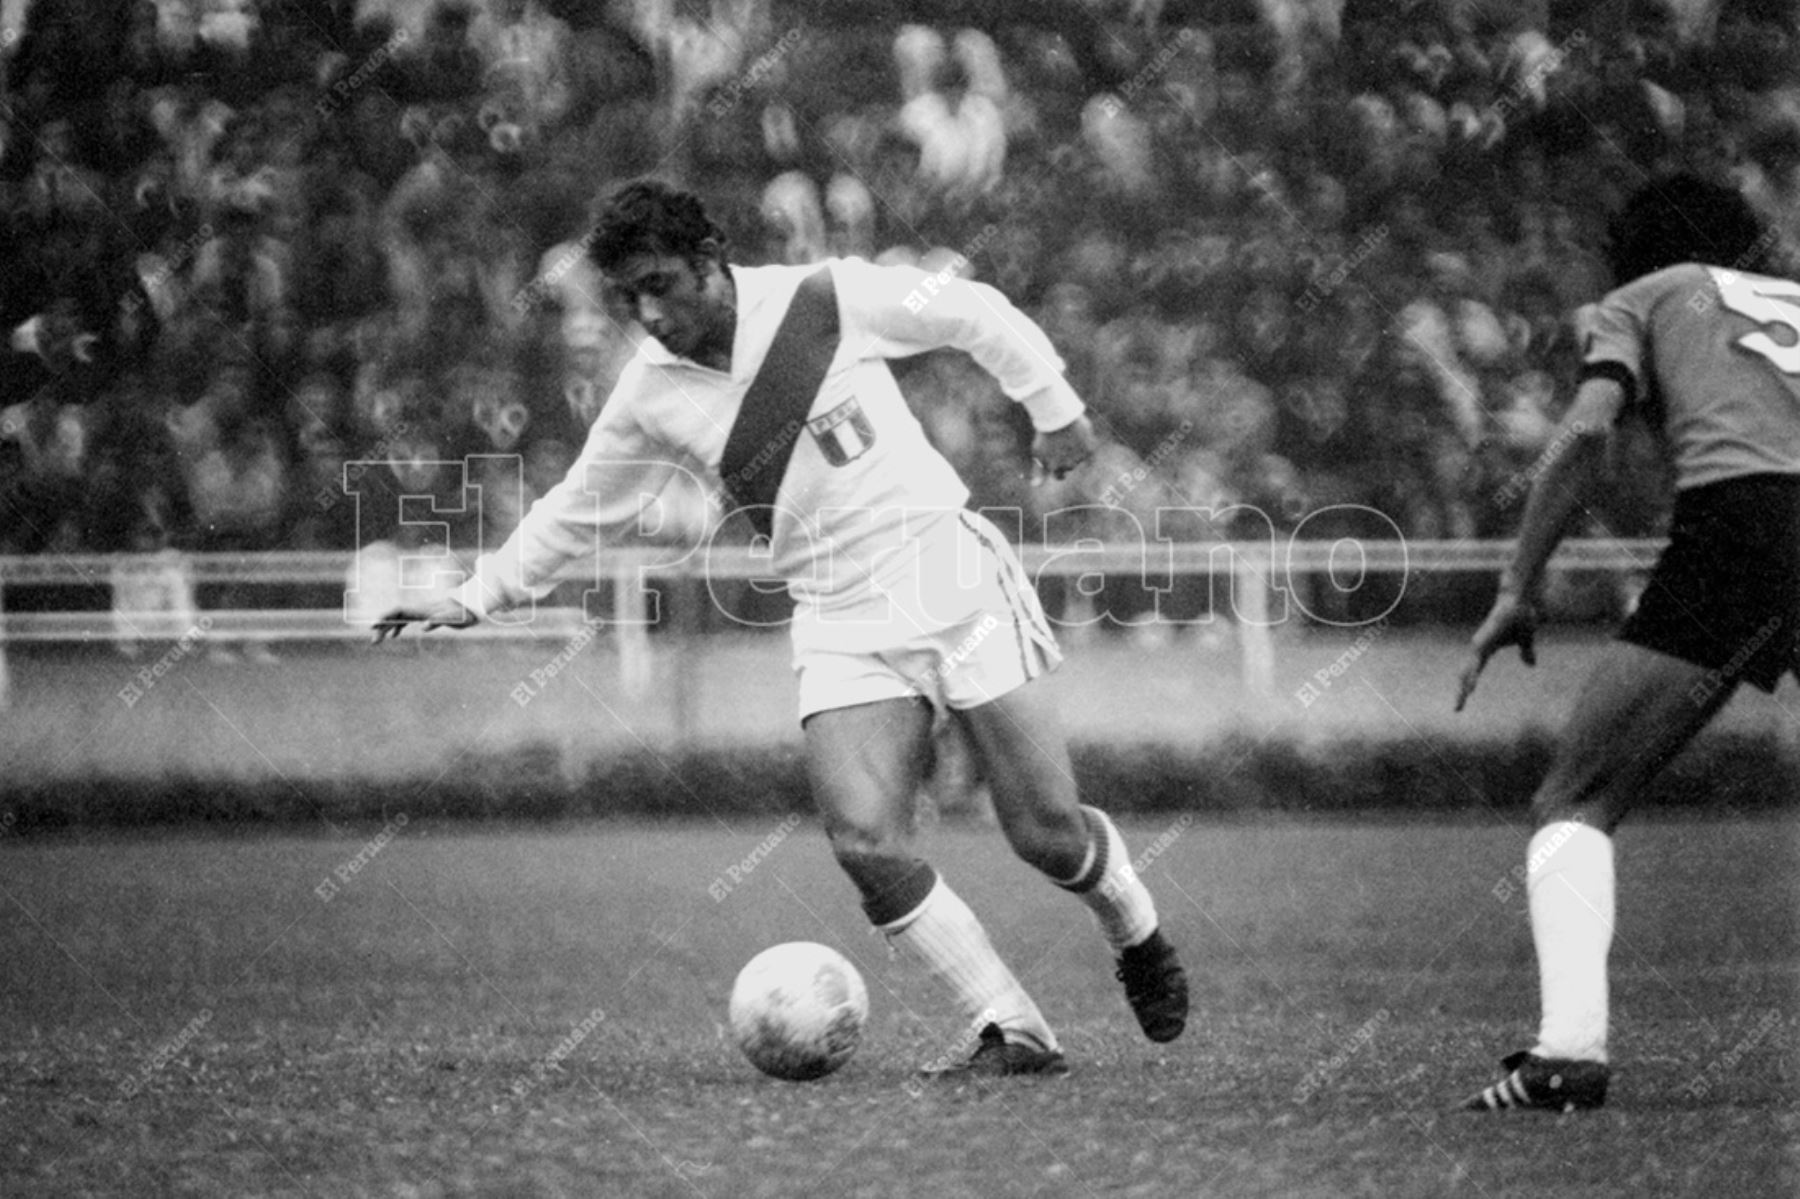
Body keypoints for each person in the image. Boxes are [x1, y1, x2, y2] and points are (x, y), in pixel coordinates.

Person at [373, 177, 1188, 1076]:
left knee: (1046, 833)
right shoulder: (649, 392)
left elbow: (971, 310)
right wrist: (476, 592)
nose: (648, 313)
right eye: (629, 297)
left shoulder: (825, 298)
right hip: (837, 614)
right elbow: (581, 507)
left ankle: (1137, 932)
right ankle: (1014, 1026)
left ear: (710, 262)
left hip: (948, 576)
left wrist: (1056, 407)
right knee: (866, 841)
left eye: (661, 285)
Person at [1454, 174, 1799, 1113]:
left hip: (1743, 524)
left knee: (1576, 793)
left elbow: (1586, 435)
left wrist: (1518, 586)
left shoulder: (1640, 299)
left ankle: (1567, 1052)